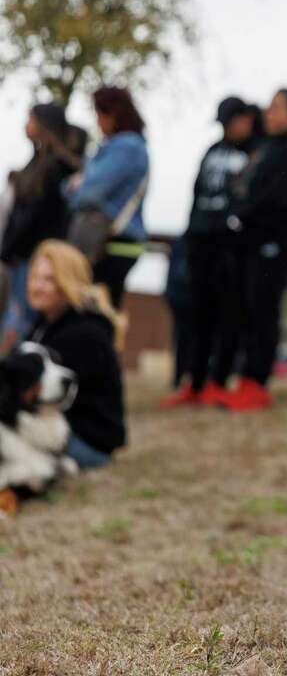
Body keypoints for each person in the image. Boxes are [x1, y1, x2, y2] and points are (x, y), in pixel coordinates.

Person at [222, 88, 287, 412]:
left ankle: (257, 382)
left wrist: (248, 210)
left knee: (263, 308)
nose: (269, 114)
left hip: (277, 241)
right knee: (248, 308)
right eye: (269, 107)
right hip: (254, 240)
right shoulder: (270, 147)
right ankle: (246, 379)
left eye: (278, 108)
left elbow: (282, 198)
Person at [160, 97, 262, 408]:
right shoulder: (213, 150)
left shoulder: (258, 152)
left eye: (232, 122)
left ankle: (218, 381)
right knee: (197, 315)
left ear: (246, 119)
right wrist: (191, 233)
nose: (228, 129)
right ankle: (195, 380)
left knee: (228, 316)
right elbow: (196, 192)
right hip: (200, 241)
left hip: (231, 247)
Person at [25, 240, 126, 469]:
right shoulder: (45, 323)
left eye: (48, 279)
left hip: (87, 444)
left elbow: (39, 399)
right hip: (62, 432)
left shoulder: (83, 334)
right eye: (34, 277)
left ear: (68, 282)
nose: (37, 286)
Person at [1, 104, 85, 346]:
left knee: (21, 321)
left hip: (33, 255)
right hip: (24, 254)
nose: (26, 125)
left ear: (43, 125)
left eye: (31, 119)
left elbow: (33, 216)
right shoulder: (40, 162)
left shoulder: (52, 166)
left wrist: (8, 249)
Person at [65, 87, 150, 308]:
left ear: (114, 115)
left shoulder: (127, 147)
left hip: (114, 241)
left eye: (100, 115)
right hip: (110, 240)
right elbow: (73, 187)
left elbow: (89, 192)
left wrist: (76, 190)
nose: (98, 122)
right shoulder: (119, 146)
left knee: (98, 309)